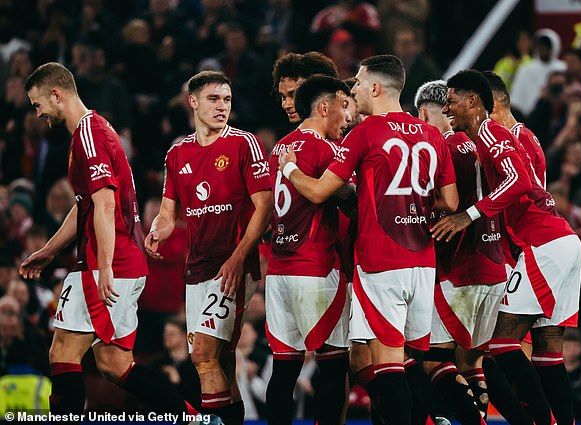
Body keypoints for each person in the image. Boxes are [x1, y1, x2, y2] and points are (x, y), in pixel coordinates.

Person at [279, 55, 458, 425]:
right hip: (422, 262)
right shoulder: (431, 135)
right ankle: (435, 417)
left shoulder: (365, 133)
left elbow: (317, 192)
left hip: (381, 263)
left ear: (375, 88)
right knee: (409, 363)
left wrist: (289, 167)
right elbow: (450, 202)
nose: (354, 89)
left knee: (389, 368)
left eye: (358, 83)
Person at [19, 62, 196, 417]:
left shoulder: (88, 136)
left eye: (38, 105)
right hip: (123, 260)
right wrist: (49, 251)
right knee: (115, 364)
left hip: (107, 262)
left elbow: (104, 204)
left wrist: (102, 268)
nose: (37, 114)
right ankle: (191, 418)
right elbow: (85, 204)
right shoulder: (95, 130)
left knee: (62, 353)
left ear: (56, 95)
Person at [435, 69, 581, 425]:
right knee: (548, 352)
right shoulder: (510, 135)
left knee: (501, 345)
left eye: (452, 99)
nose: (447, 107)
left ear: (473, 101)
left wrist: (467, 216)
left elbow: (517, 181)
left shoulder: (490, 132)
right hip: (560, 240)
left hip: (543, 243)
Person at [145, 70, 272, 424]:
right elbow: (169, 214)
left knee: (202, 354)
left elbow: (264, 208)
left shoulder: (244, 144)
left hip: (232, 267)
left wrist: (237, 258)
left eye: (227, 100)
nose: (222, 107)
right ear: (193, 102)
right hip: (196, 270)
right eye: (214, 99)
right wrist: (158, 230)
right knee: (221, 364)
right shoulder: (177, 154)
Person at [416, 79, 525, 425]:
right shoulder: (479, 144)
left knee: (432, 360)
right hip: (495, 266)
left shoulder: (439, 147)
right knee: (473, 361)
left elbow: (440, 204)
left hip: (458, 269)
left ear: (422, 113)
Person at [266, 74, 351, 425]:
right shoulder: (326, 149)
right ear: (323, 107)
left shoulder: (280, 146)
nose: (346, 118)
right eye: (342, 108)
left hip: (279, 273)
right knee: (334, 366)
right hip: (315, 269)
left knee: (284, 370)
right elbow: (350, 198)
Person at [271, 51, 338, 125]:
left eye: (293, 95)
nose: (286, 105)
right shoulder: (293, 135)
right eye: (283, 97)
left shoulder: (348, 129)